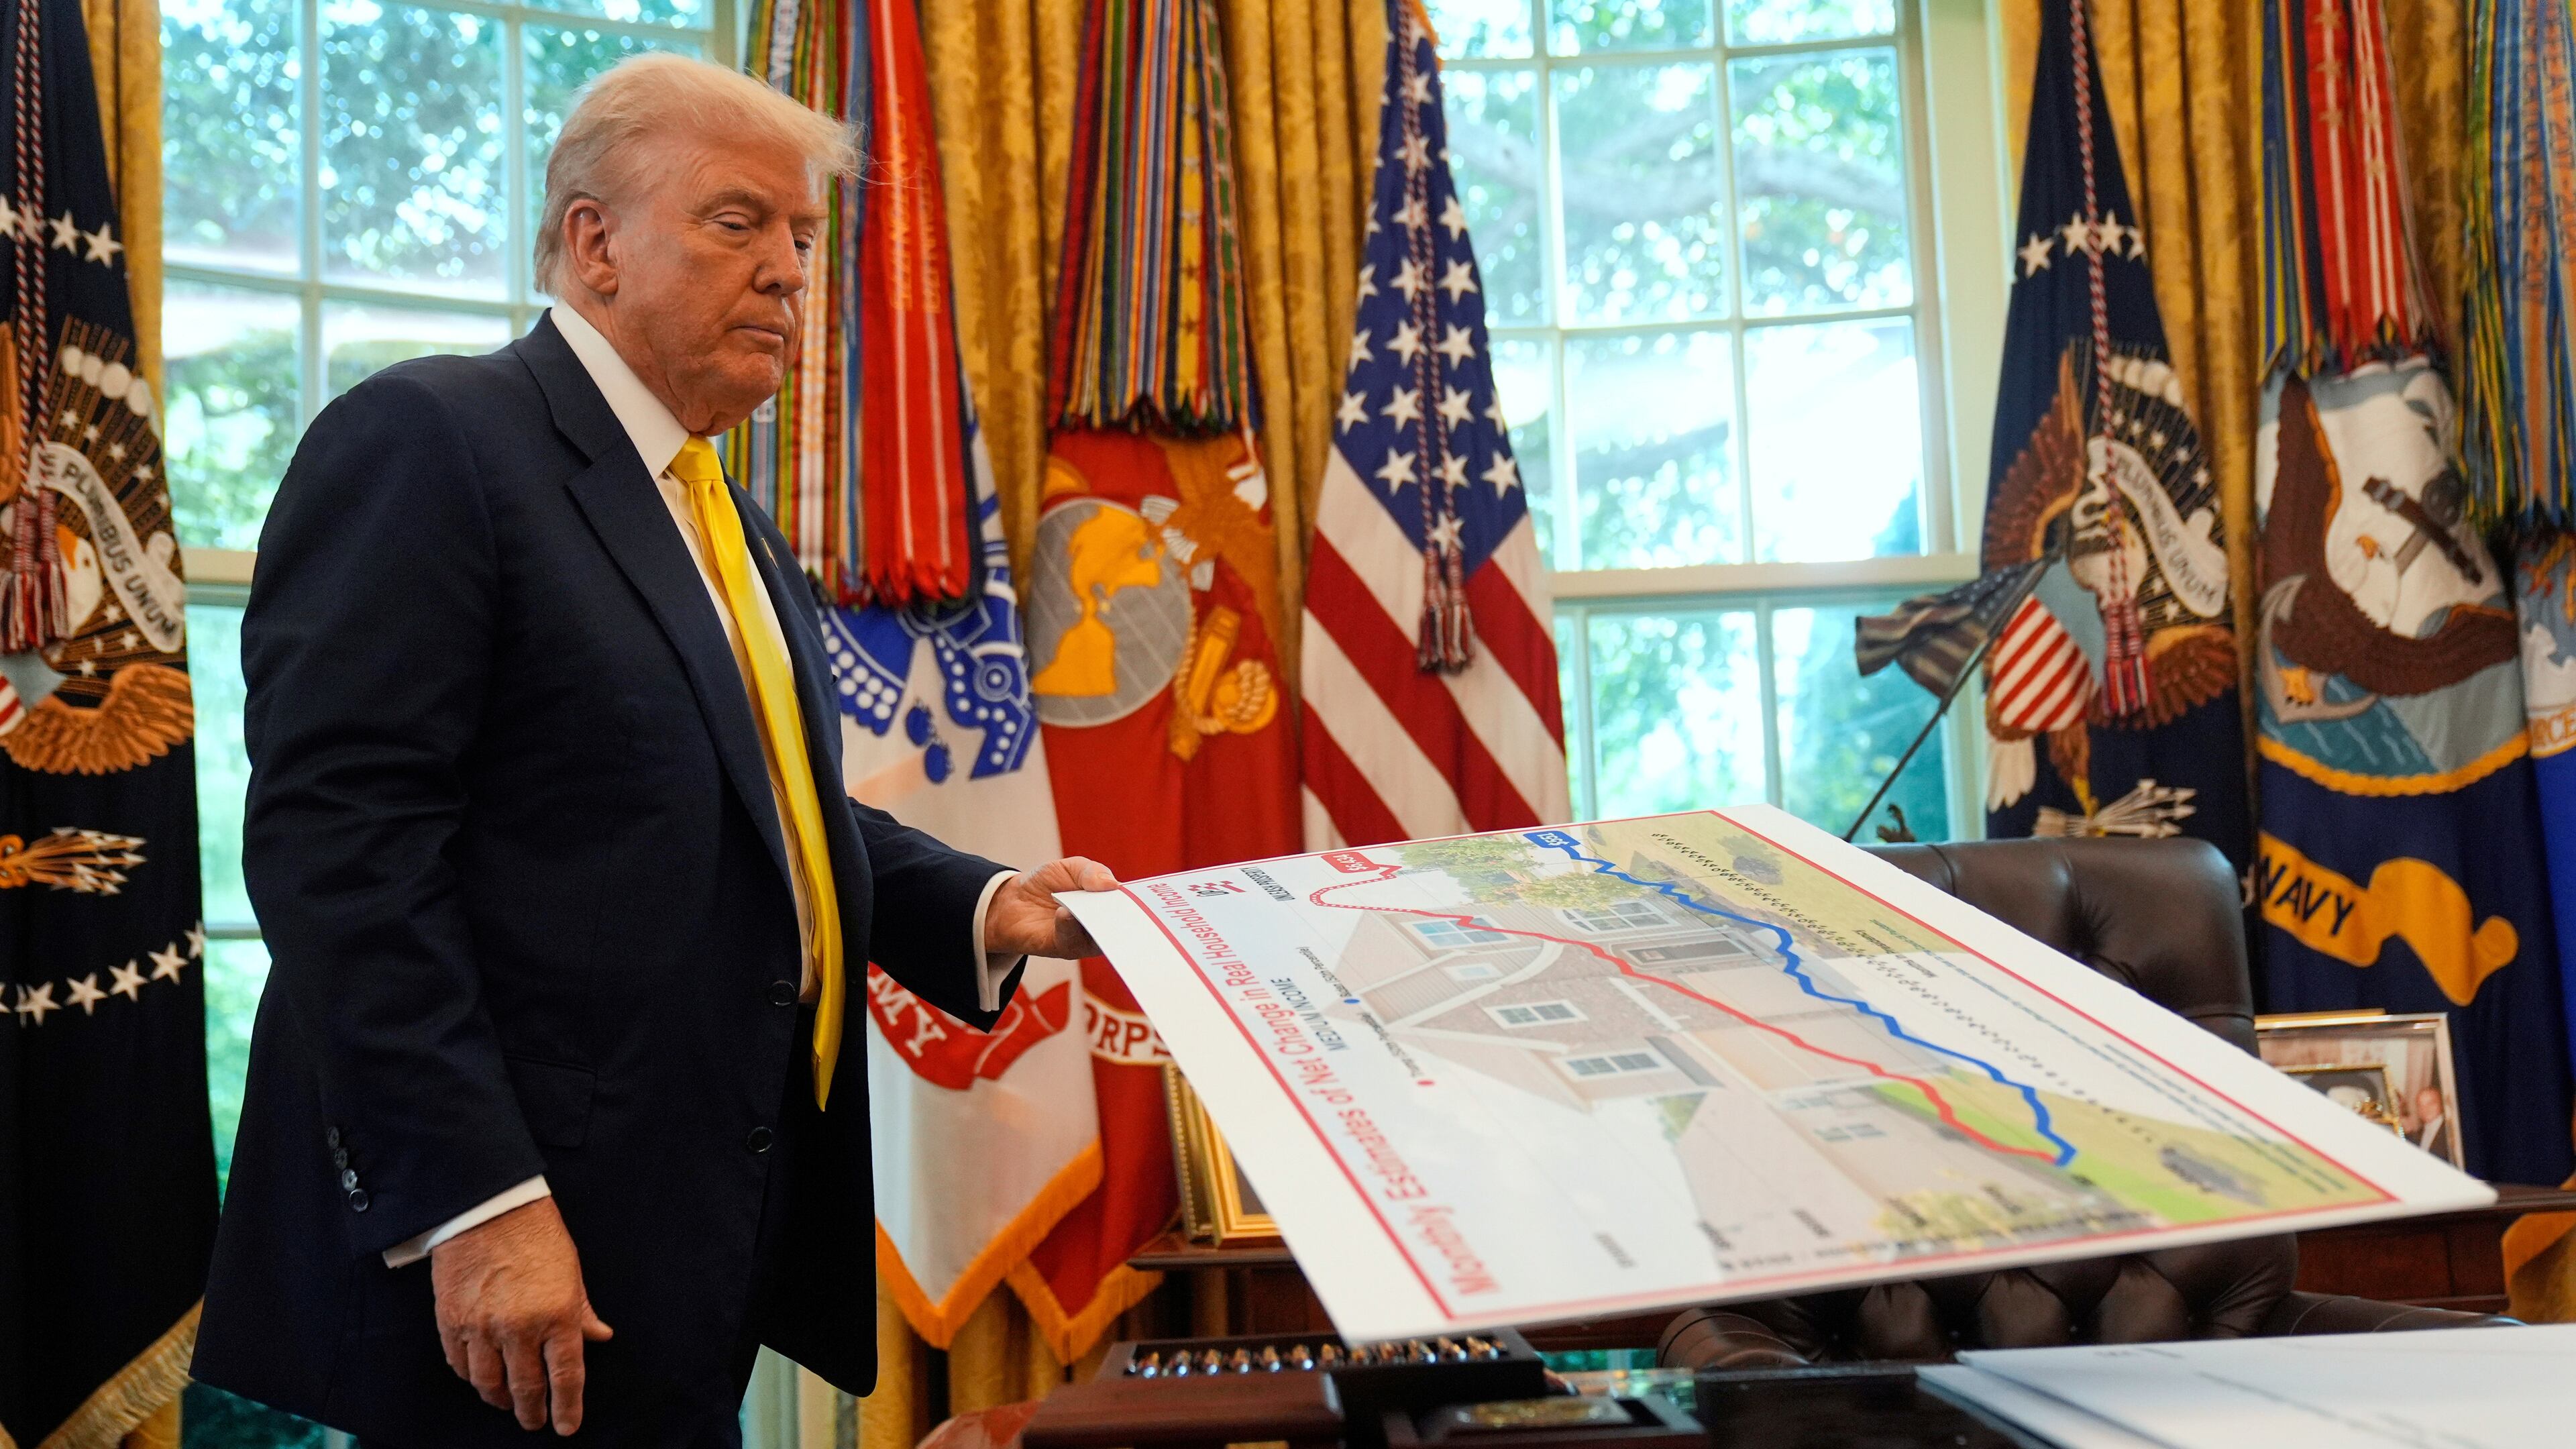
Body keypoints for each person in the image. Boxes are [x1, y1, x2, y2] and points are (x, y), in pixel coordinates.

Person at [191, 54, 1116, 1447]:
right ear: (592, 242)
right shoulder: (432, 440)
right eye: (737, 223)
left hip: (690, 1255)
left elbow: (759, 813)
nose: (791, 274)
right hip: (495, 1286)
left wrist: (984, 906)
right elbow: (344, 856)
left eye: (803, 236)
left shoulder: (720, 515)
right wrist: (480, 1207)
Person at [2412, 1085, 2453, 1162]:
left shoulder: (2450, 1131)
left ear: (2441, 1104)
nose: (2425, 1109)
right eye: (2420, 1105)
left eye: (2431, 1103)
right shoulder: (2417, 1135)